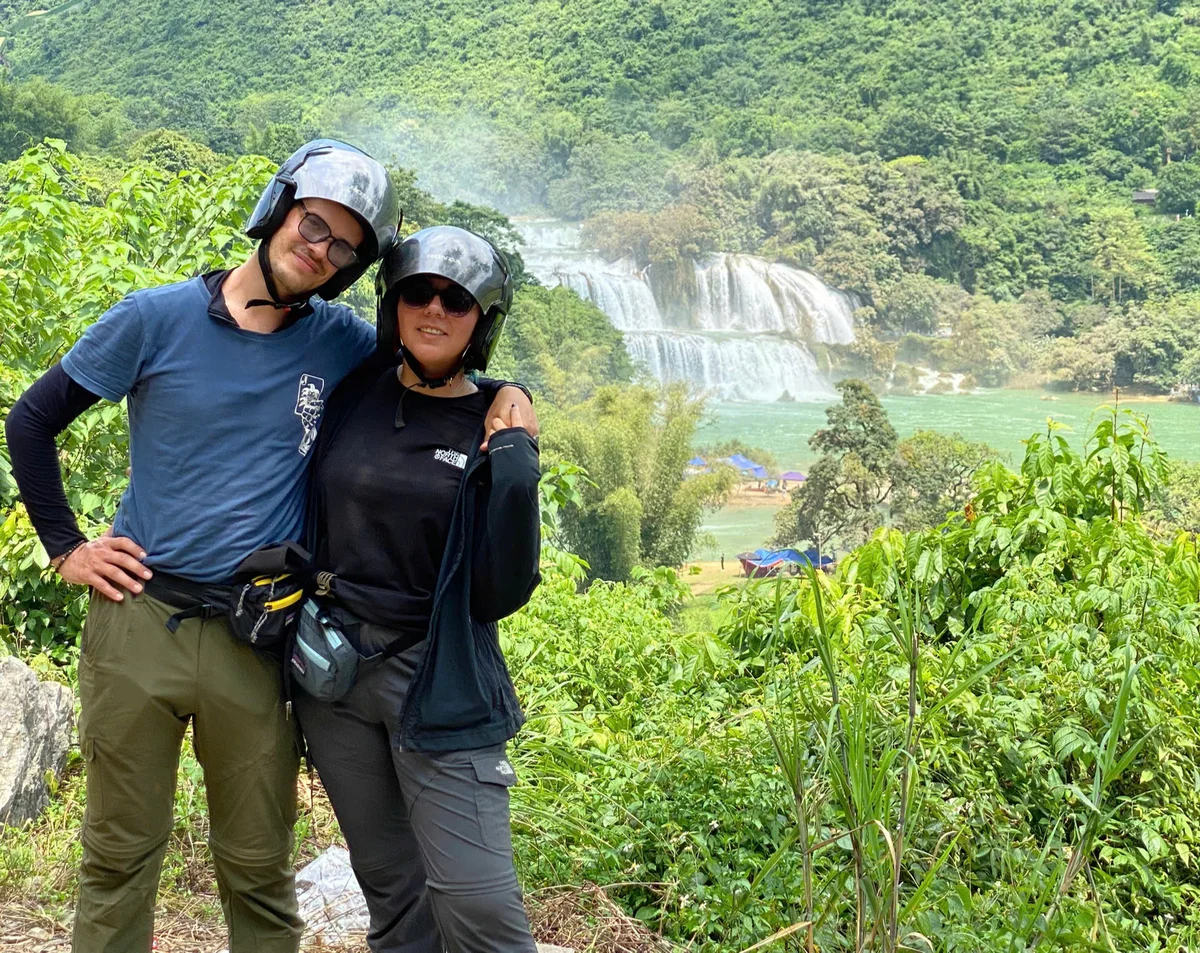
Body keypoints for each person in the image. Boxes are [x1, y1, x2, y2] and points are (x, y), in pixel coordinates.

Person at [4, 140, 536, 953]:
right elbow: (32, 419)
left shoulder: (340, 342)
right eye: (313, 224)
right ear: (278, 210)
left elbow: (436, 358)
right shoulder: (154, 318)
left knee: (258, 864)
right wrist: (66, 546)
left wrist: (511, 394)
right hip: (139, 613)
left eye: (343, 247)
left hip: (255, 633)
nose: (319, 250)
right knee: (118, 853)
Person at [294, 225, 542, 953]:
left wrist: (516, 466)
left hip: (439, 675)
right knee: (392, 888)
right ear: (392, 305)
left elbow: (504, 586)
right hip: (335, 674)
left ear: (482, 321)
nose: (434, 309)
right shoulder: (353, 390)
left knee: (478, 901)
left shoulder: (495, 422)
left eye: (456, 300)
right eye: (418, 294)